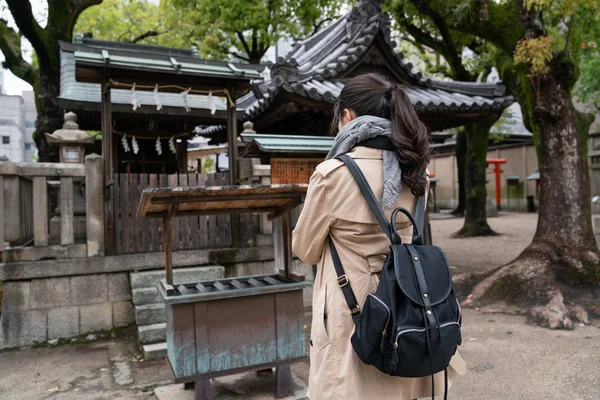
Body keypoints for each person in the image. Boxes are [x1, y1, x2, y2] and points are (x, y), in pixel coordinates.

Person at [292, 73, 466, 400]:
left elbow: (305, 249)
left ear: (347, 116)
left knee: (354, 385)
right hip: (406, 298)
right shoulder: (415, 169)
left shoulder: (332, 174)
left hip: (351, 302)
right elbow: (411, 231)